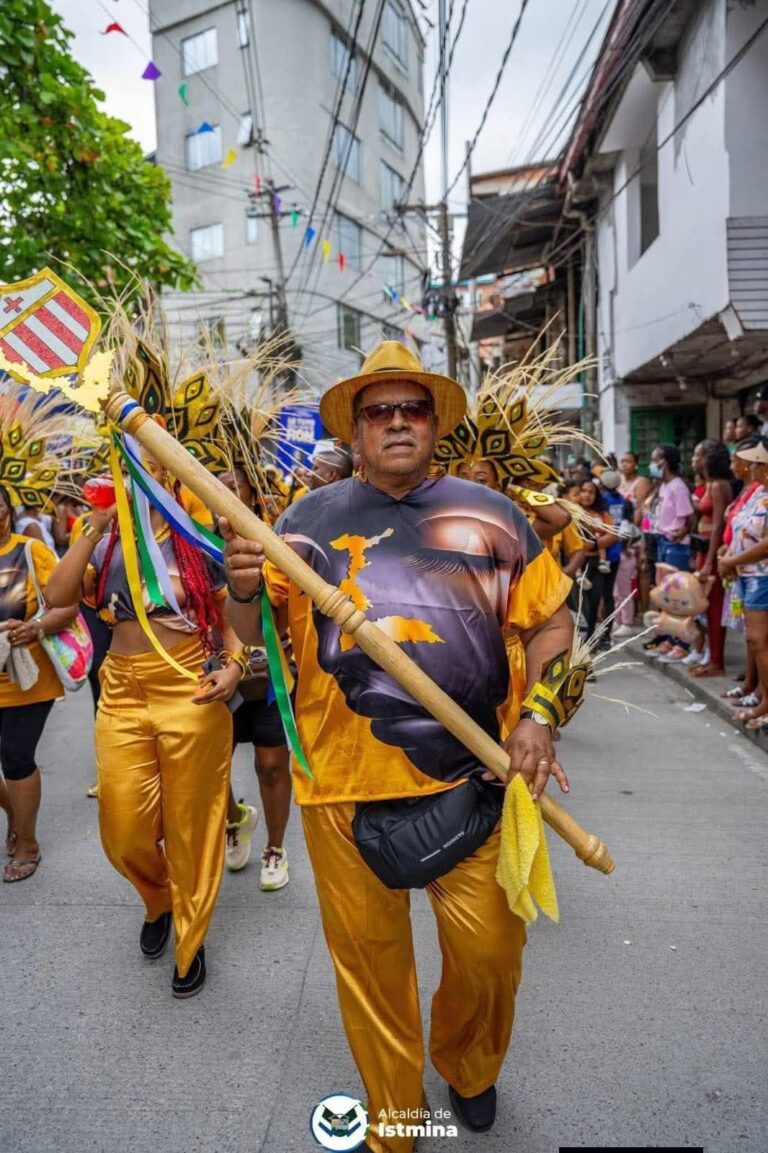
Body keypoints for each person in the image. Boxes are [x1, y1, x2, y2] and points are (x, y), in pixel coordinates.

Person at [223, 340, 573, 1148]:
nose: (397, 423)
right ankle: (394, 1122)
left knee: (490, 958)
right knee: (373, 973)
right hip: (342, 787)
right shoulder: (303, 522)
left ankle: (469, 1061)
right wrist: (242, 588)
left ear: (434, 422)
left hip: (474, 777)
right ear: (354, 429)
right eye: (378, 412)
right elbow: (257, 634)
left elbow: (552, 619)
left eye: (412, 408)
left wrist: (540, 714)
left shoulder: (491, 514)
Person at [46, 439, 240, 998]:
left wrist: (233, 665)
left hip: (189, 686)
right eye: (129, 471)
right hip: (122, 691)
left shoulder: (196, 542)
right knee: (123, 826)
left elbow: (233, 623)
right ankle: (159, 899)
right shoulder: (106, 544)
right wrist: (95, 523)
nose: (140, 480)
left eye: (150, 470)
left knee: (191, 824)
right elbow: (57, 595)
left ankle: (190, 937)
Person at [0, 485, 79, 882]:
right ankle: (16, 813)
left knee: (15, 758)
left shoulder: (32, 551)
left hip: (25, 679)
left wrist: (33, 627)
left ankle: (27, 842)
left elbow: (67, 603)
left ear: (6, 508)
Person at [218, 465, 292, 890]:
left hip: (264, 677)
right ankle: (234, 819)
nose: (222, 495)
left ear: (250, 493)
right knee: (211, 769)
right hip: (207, 679)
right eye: (214, 487)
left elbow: (275, 619)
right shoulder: (190, 539)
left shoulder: (274, 541)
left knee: (270, 766)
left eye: (232, 487)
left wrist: (238, 664)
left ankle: (276, 847)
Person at [717, 440, 768, 731]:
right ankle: (763, 699)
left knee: (760, 642)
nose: (752, 467)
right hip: (748, 575)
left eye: (757, 463)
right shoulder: (756, 493)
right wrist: (731, 557)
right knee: (755, 641)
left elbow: (766, 545)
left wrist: (732, 559)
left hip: (761, 575)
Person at [688, 440, 732, 678]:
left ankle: (717, 661)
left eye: (697, 455)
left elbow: (717, 526)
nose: (693, 460)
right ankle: (711, 657)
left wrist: (708, 562)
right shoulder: (709, 484)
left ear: (707, 458)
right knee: (707, 607)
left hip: (713, 552)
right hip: (705, 549)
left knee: (714, 607)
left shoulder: (717, 486)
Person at [577, 479, 620, 647]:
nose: (587, 495)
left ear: (596, 495)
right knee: (581, 603)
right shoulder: (572, 511)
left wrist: (594, 544)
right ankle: (583, 638)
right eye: (584, 491)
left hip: (596, 561)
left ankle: (596, 638)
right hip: (577, 562)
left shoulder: (602, 514)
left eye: (591, 492)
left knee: (596, 599)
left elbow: (612, 534)